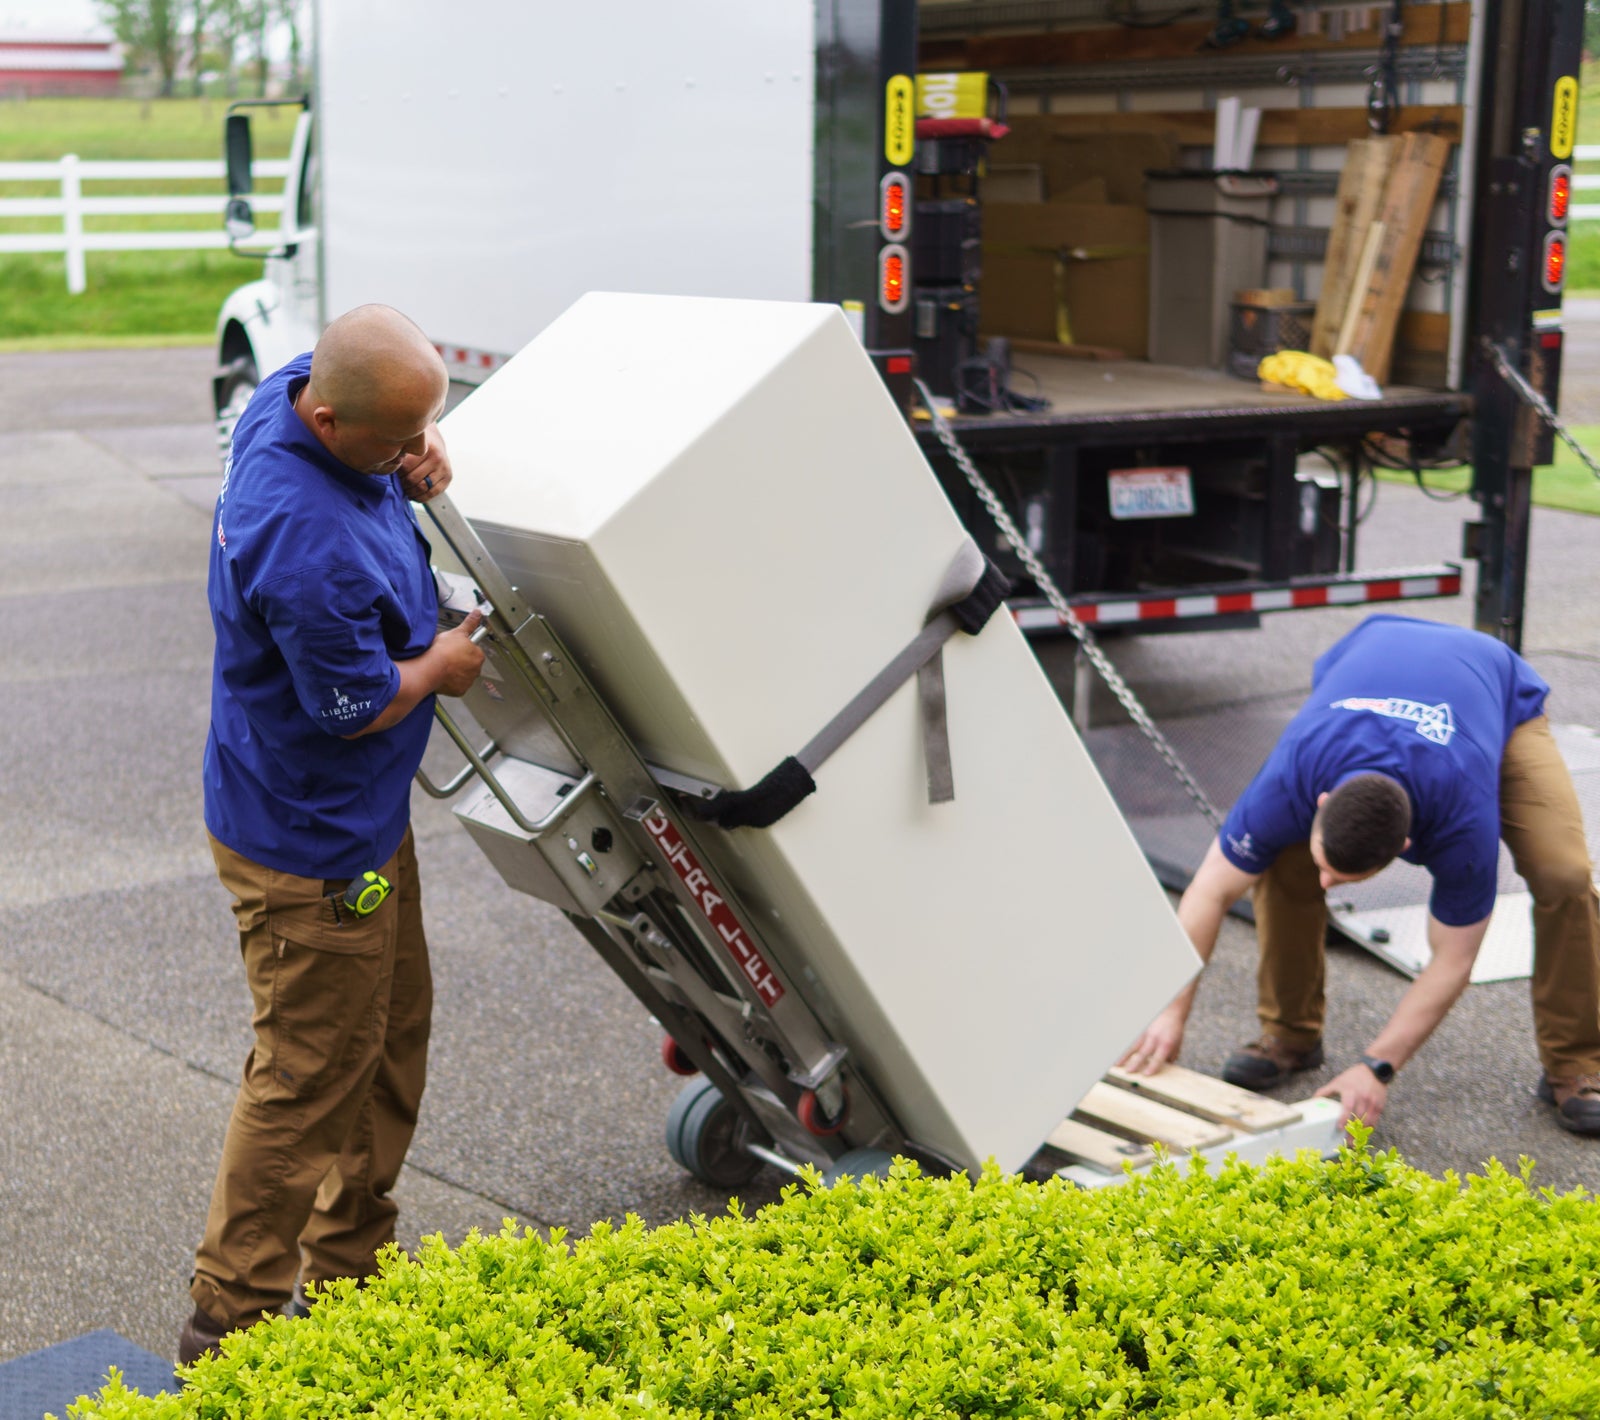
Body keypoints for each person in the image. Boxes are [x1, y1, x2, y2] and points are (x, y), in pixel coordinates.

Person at [180, 305, 486, 1364]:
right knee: (310, 1070)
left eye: (423, 431)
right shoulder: (304, 543)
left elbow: (346, 365)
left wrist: (412, 451)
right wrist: (439, 668)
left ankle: (352, 1268)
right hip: (308, 844)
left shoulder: (295, 391)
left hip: (349, 820)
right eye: (395, 441)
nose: (413, 456)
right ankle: (233, 1318)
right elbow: (352, 705)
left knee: (390, 1032)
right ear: (325, 420)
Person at [1120, 614, 1600, 1138]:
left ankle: (1575, 1064)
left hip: (1493, 693)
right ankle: (1291, 1035)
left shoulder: (1463, 824)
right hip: (1373, 652)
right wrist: (1170, 1011)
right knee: (1282, 858)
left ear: (1407, 849)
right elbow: (1209, 889)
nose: (1325, 885)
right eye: (1325, 866)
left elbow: (1454, 958)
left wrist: (1376, 1067)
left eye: (1343, 877)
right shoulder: (1294, 773)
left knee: (1565, 874)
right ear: (1320, 803)